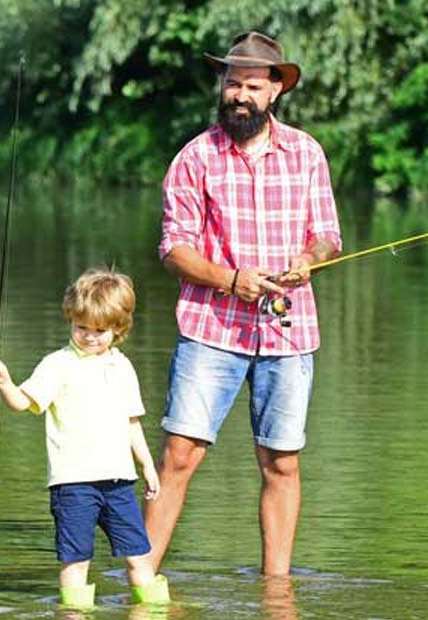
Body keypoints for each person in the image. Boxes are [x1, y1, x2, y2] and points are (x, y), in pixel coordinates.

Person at [145, 31, 342, 576]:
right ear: (221, 86)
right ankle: (139, 577)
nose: (240, 95)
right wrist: (231, 280)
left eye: (253, 86)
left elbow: (328, 236)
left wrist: (308, 259)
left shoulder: (306, 153)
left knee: (281, 461)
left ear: (275, 90)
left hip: (288, 332)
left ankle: (276, 590)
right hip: (212, 328)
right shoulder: (194, 159)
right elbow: (174, 249)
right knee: (179, 456)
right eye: (233, 83)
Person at [0, 268, 170, 607]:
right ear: (71, 319)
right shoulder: (57, 364)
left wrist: (147, 466)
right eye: (81, 326)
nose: (89, 336)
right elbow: (23, 403)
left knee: (139, 556)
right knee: (76, 561)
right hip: (73, 484)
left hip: (119, 482)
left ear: (118, 329)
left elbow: (132, 423)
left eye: (99, 330)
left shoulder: (123, 367)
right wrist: (7, 383)